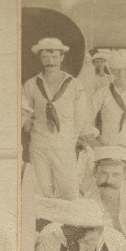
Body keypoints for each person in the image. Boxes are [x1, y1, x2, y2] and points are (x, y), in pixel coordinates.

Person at [22, 37, 87, 200]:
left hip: (64, 146)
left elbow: (80, 117)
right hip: (39, 145)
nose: (50, 61)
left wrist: (70, 140)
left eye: (54, 57)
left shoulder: (74, 85)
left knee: (68, 192)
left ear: (62, 57)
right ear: (40, 58)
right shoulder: (31, 84)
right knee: (41, 192)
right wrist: (27, 125)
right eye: (45, 57)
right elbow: (26, 113)